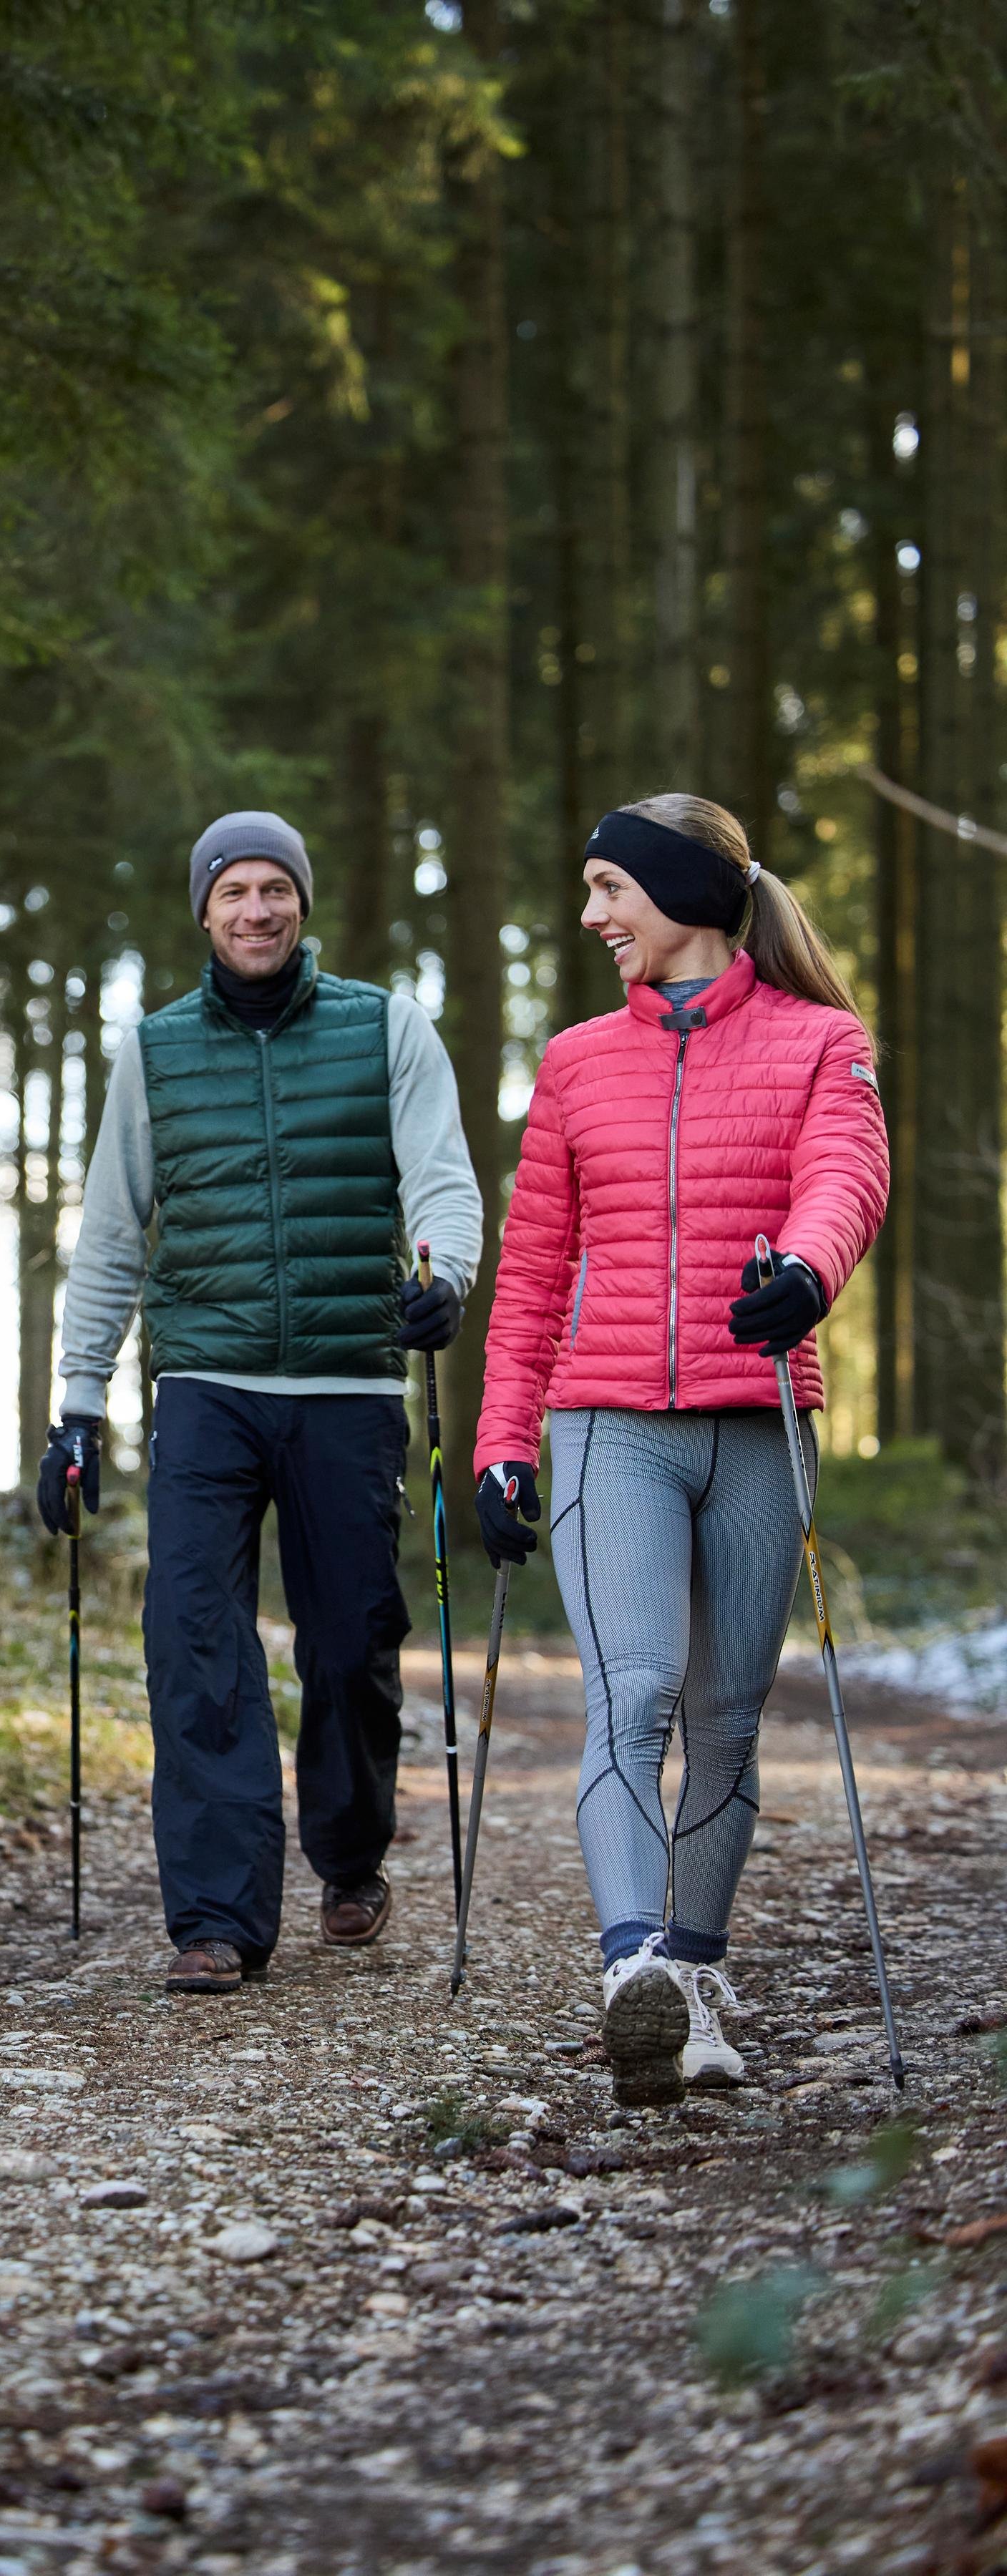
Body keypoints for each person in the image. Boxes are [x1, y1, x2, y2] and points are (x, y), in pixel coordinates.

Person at [474, 794, 888, 2107]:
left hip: (759, 1420)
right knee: (635, 1690)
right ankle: (634, 1971)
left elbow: (846, 1178)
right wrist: (502, 1440)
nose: (592, 914)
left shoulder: (824, 1041)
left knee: (724, 1720)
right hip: (608, 1428)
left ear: (682, 892)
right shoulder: (578, 1062)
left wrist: (807, 1274)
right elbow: (534, 1271)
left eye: (611, 888)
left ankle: (697, 1981)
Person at [39, 811, 483, 1994]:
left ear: (303, 903)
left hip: (348, 1382)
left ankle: (350, 1852)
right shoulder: (155, 1051)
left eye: (274, 888)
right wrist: (77, 1404)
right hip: (205, 1388)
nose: (256, 910)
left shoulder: (386, 1026)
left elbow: (443, 1178)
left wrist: (443, 1276)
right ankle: (218, 1918)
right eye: (233, 890)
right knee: (195, 1642)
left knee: (352, 1642)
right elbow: (113, 1234)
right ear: (204, 910)